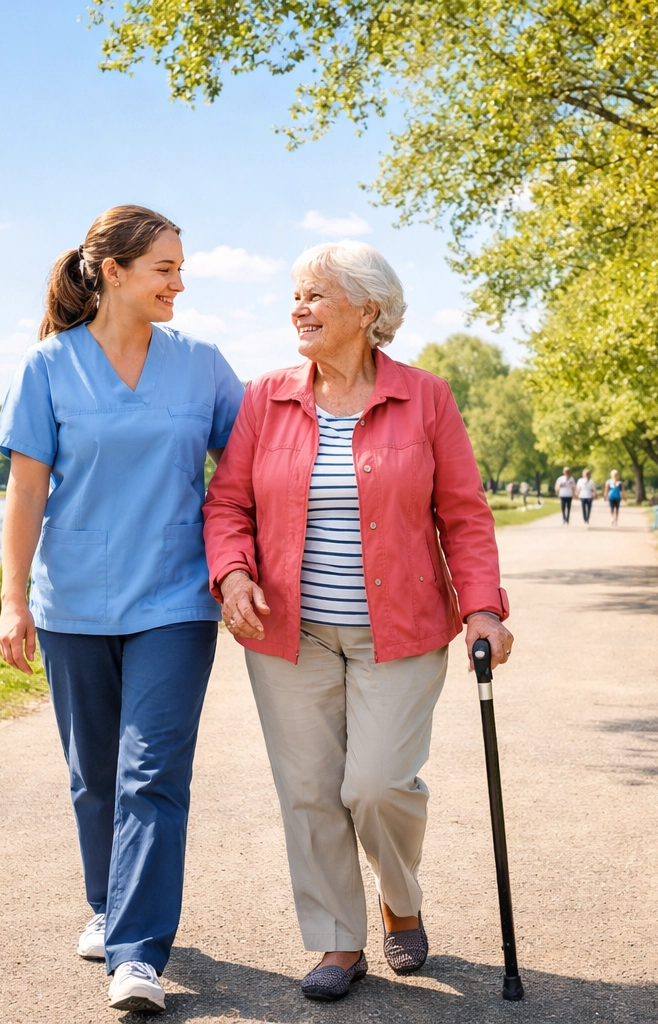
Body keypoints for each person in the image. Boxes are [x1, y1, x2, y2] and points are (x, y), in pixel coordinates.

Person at [205, 241, 513, 1003]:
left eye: (315, 295)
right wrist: (234, 570)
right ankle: (339, 942)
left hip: (400, 632)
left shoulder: (424, 398)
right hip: (289, 634)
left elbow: (464, 516)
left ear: (368, 312)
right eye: (296, 294)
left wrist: (482, 609)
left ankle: (399, 898)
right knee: (309, 789)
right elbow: (227, 503)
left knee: (376, 785)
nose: (297, 309)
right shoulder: (266, 396)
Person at [0, 205, 243, 1016]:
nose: (179, 281)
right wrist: (11, 599)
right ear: (114, 273)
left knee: (151, 774)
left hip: (175, 600)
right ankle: (106, 905)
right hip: (76, 604)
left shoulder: (202, 366)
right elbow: (26, 490)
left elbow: (245, 471)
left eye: (180, 266)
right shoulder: (48, 367)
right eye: (165, 267)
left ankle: (137, 953)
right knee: (94, 776)